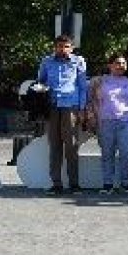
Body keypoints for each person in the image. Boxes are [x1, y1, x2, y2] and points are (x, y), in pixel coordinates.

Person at [35, 34, 88, 193]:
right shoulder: (47, 61)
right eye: (59, 46)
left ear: (71, 48)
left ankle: (74, 183)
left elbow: (82, 85)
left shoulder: (78, 61)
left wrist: (82, 108)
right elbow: (40, 80)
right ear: (55, 47)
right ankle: (56, 183)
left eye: (66, 46)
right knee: (55, 145)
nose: (62, 49)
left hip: (71, 106)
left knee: (71, 145)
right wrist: (41, 90)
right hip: (52, 106)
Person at [86, 54, 128, 194]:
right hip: (105, 122)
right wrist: (91, 118)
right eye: (117, 63)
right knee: (107, 154)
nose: (121, 66)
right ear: (110, 65)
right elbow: (90, 100)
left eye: (124, 63)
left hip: (126, 122)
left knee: (126, 153)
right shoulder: (99, 81)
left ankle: (126, 184)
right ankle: (107, 184)